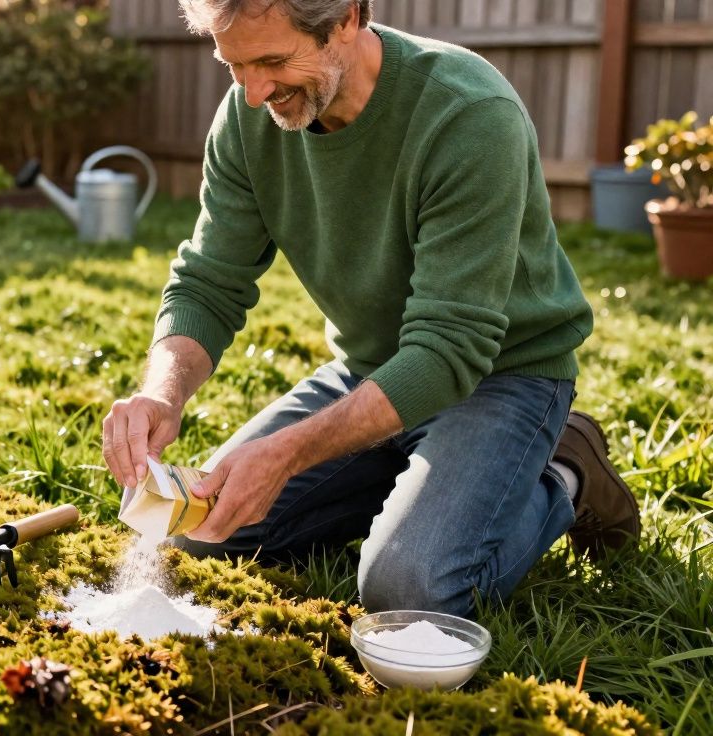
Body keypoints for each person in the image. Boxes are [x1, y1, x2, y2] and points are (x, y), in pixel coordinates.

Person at [100, 0, 640, 618]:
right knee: (203, 531)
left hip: (501, 375)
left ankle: (564, 471)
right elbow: (207, 283)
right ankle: (418, 485)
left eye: (274, 61)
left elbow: (446, 352)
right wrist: (161, 394)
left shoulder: (468, 115)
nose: (254, 94)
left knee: (409, 590)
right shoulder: (248, 122)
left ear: (348, 20)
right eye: (234, 67)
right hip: (371, 369)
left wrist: (288, 454)